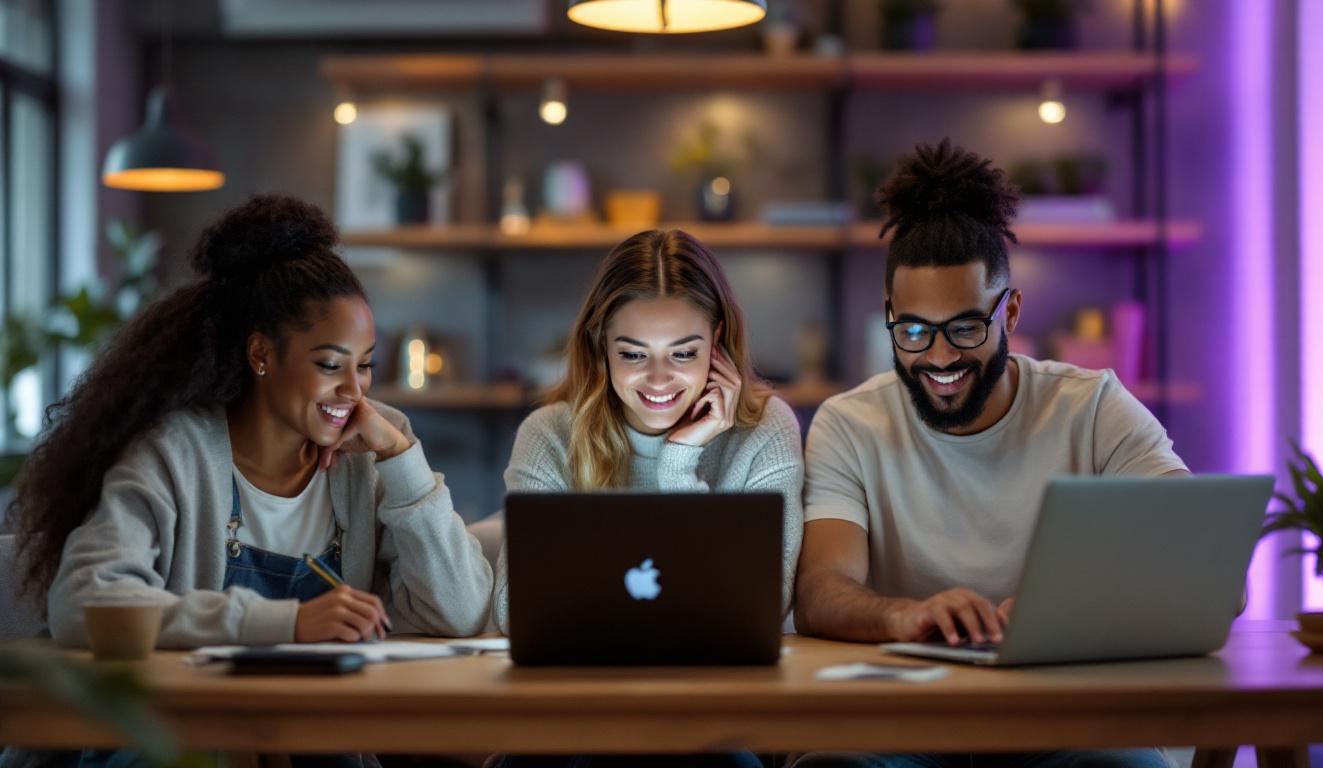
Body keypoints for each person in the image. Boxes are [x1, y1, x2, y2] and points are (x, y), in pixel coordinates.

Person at [793, 140, 1187, 768]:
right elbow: (820, 591)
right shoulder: (850, 424)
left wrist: (1068, 610)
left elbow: (1204, 565)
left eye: (967, 327)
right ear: (890, 316)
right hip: (902, 735)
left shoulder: (1091, 407)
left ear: (1012, 311)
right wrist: (905, 616)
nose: (941, 357)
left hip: (1067, 729)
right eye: (915, 330)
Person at [10, 193, 493, 652]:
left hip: (325, 734)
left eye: (364, 365)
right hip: (185, 735)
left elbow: (462, 612)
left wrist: (400, 460)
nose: (354, 390)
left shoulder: (373, 454)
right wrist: (285, 624)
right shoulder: (176, 451)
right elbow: (84, 603)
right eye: (330, 365)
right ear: (261, 354)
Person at [488, 229, 803, 768]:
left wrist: (681, 461)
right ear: (600, 345)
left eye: (684, 353)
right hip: (573, 717)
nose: (659, 379)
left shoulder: (765, 428)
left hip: (712, 719)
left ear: (719, 342)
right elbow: (513, 611)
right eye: (633, 354)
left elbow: (761, 608)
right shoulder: (549, 434)